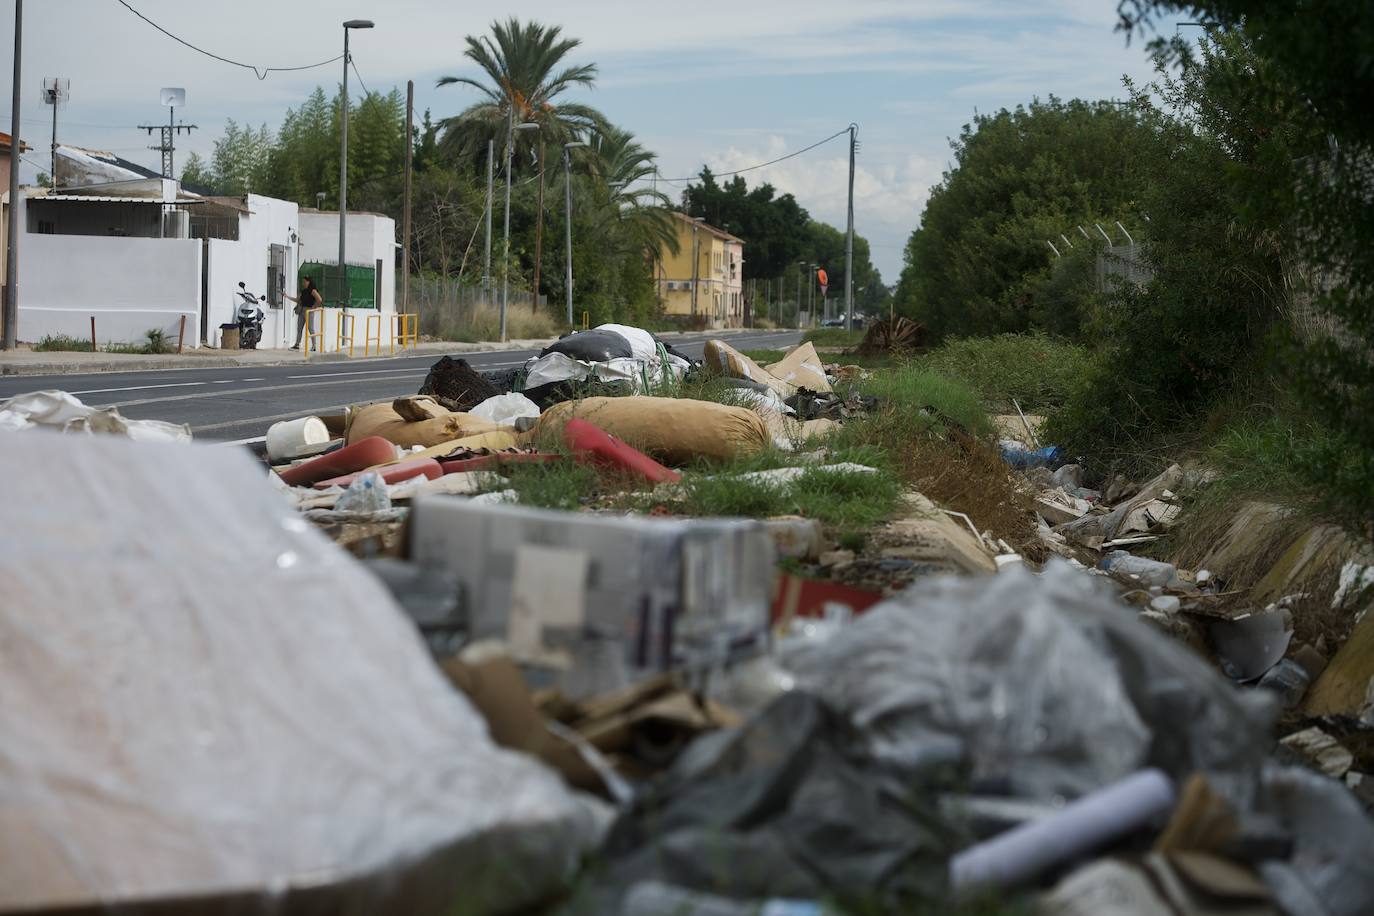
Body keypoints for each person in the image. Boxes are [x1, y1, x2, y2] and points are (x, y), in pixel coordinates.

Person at [285, 275, 322, 350]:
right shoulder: (303, 291)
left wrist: (314, 307)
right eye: (303, 281)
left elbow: (319, 299)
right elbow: (298, 300)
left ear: (309, 282)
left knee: (311, 328)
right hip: (302, 310)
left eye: (305, 281)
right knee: (299, 328)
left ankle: (314, 346)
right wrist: (287, 297)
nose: (304, 283)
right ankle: (297, 344)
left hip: (309, 310)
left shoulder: (312, 290)